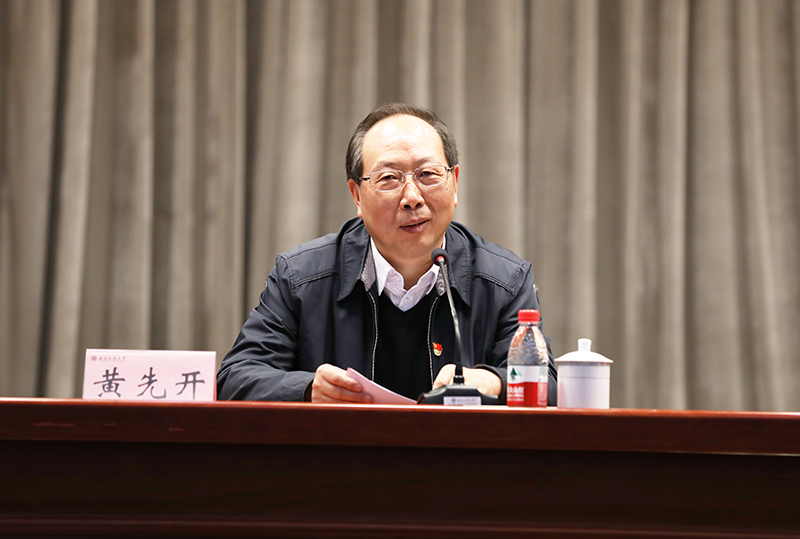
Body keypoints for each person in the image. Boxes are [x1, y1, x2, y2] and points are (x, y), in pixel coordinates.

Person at [217, 103, 557, 404]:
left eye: (427, 174)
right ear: (357, 195)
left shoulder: (504, 281)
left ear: (454, 183)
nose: (412, 197)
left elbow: (550, 388)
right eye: (389, 178)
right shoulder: (301, 277)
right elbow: (235, 377)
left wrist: (494, 382)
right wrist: (307, 389)